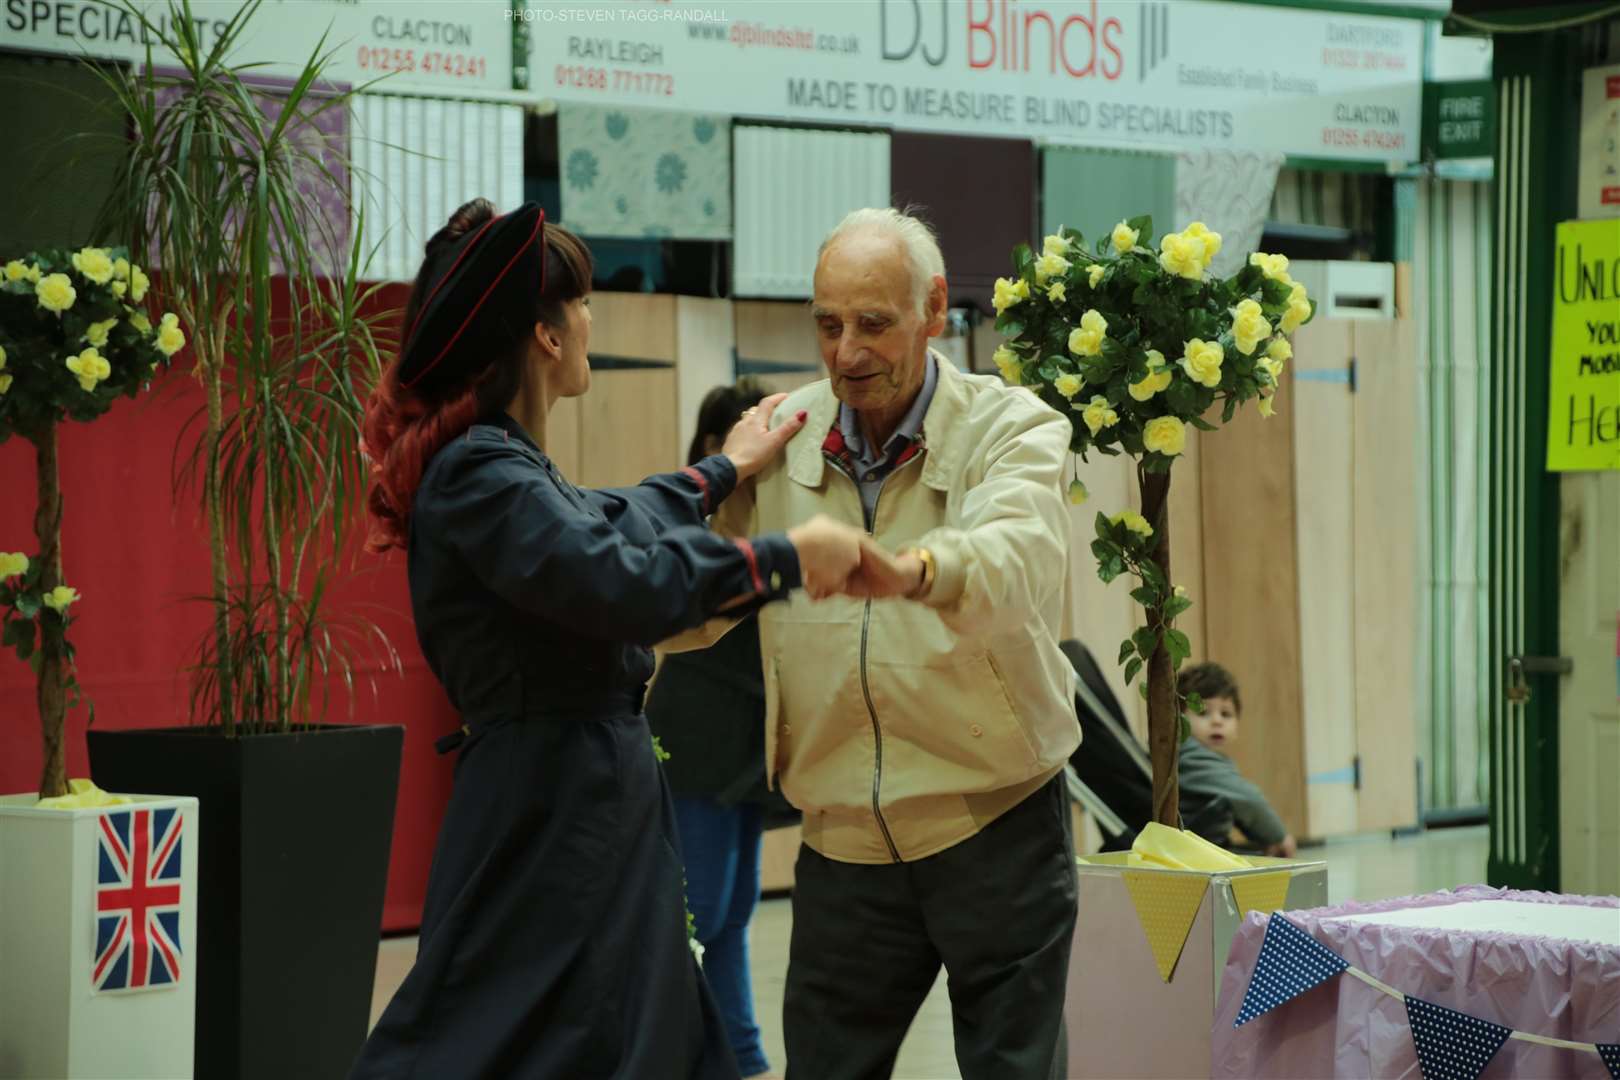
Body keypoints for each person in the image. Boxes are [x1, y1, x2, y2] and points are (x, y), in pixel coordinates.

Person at [350, 198, 869, 1080]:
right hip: (549, 813)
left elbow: (609, 516)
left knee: (625, 1037)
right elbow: (618, 579)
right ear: (546, 337)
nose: (592, 320)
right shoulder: (480, 472)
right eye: (582, 303)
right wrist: (784, 556)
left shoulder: (501, 464)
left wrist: (723, 469)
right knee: (508, 1039)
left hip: (583, 800)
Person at [688, 207, 1082, 1080]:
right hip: (842, 846)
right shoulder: (780, 432)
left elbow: (1020, 559)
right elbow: (690, 592)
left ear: (934, 309)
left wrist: (911, 572)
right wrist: (710, 484)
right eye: (827, 325)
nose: (846, 354)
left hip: (997, 825)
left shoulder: (1012, 425)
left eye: (874, 324)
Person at [646, 380, 800, 1080]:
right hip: (699, 743)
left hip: (743, 747)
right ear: (716, 446)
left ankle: (741, 1055)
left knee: (734, 913)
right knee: (701, 917)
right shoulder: (701, 533)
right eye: (753, 427)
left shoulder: (767, 520)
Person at [1175, 662, 1298, 858]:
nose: (1217, 721)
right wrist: (1278, 836)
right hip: (1195, 854)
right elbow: (1247, 799)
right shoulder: (1190, 757)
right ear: (1178, 719)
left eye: (1226, 714)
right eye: (1203, 712)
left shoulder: (1195, 757)